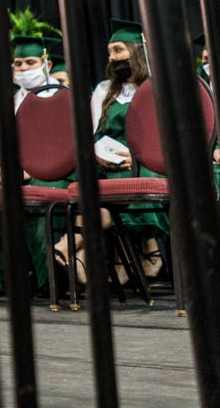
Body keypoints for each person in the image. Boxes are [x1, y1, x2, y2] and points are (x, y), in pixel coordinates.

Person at [54, 19, 167, 284]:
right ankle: (140, 254)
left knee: (114, 187)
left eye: (118, 50)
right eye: (109, 52)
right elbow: (94, 132)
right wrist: (97, 153)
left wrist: (139, 155)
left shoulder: (157, 87)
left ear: (137, 51)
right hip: (109, 161)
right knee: (90, 182)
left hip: (147, 161)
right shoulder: (104, 90)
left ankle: (71, 244)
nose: (112, 57)